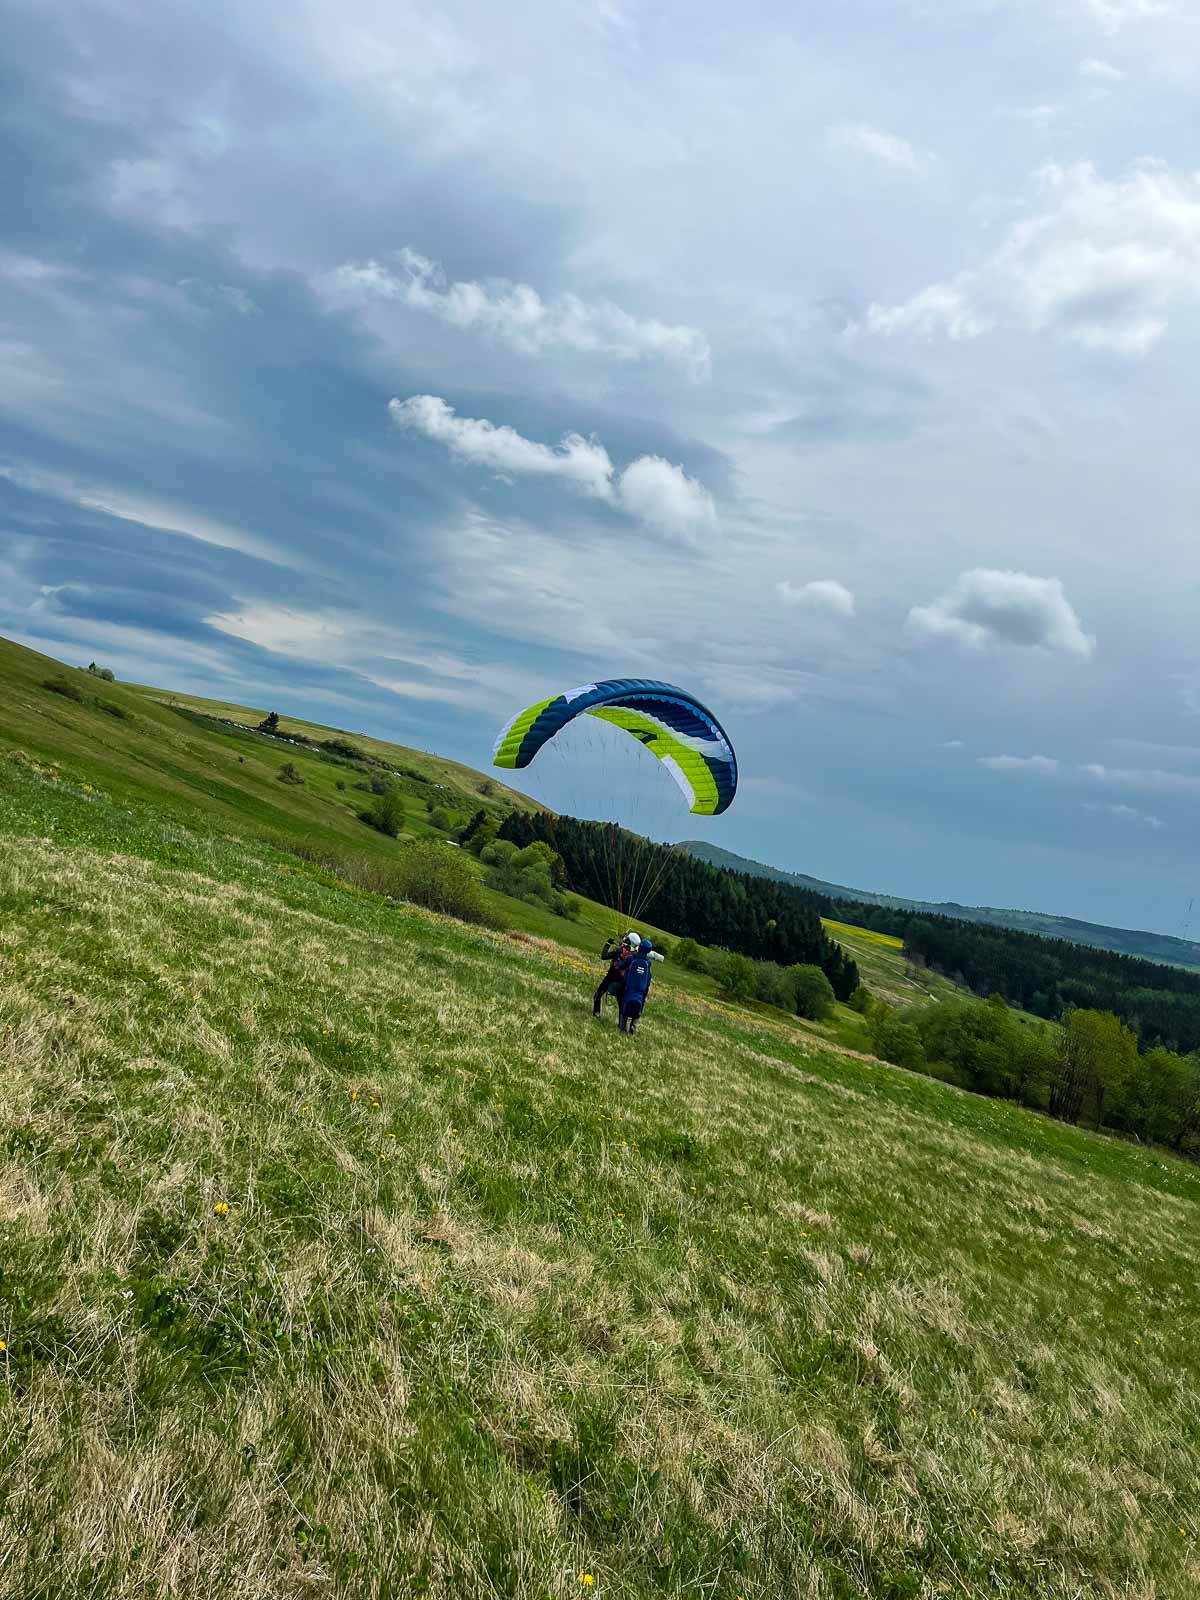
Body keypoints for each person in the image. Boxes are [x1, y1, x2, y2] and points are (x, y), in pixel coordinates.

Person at [617, 937, 663, 1034]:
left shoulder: (631, 958)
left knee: (625, 1007)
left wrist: (619, 959)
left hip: (629, 989)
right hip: (641, 991)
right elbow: (648, 978)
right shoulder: (648, 963)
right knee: (639, 1008)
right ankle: (633, 1026)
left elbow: (621, 966)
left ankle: (622, 1028)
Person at [593, 932, 639, 1019]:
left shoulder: (620, 950)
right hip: (624, 980)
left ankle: (596, 1013)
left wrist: (608, 944)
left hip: (612, 976)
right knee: (621, 1003)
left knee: (598, 994)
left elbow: (604, 956)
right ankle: (622, 1023)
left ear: (629, 941)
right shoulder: (635, 954)